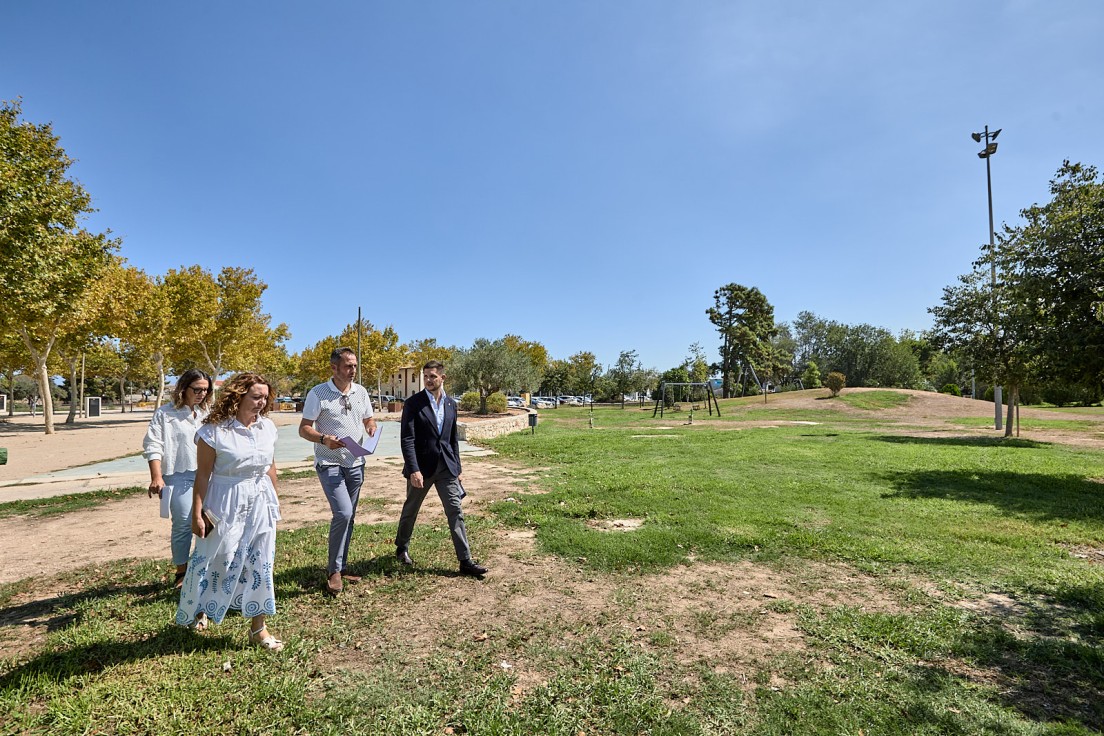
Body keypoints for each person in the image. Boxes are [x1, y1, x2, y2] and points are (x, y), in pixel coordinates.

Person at [175, 372, 284, 651]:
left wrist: (275, 500)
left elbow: (270, 466)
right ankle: (199, 609)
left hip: (261, 501)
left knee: (261, 563)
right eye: (255, 397)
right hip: (225, 500)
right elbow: (202, 476)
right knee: (217, 558)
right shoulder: (213, 431)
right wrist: (197, 514)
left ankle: (258, 628)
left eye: (265, 397)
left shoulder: (268, 428)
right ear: (237, 397)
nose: (261, 403)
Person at [396, 360, 487, 577]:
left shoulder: (451, 404)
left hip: (447, 467)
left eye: (433, 376)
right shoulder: (413, 403)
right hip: (422, 468)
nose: (428, 380)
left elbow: (452, 439)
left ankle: (465, 561)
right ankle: (401, 548)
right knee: (411, 509)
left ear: (442, 378)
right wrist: (413, 470)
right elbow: (407, 439)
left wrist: (458, 468)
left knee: (455, 510)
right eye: (425, 376)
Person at [298, 347, 377, 595]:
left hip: (356, 463)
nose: (353, 370)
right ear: (334, 368)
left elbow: (368, 419)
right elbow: (304, 428)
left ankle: (341, 567)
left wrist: (371, 427)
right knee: (342, 513)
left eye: (354, 365)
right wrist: (323, 439)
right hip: (329, 463)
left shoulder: (361, 392)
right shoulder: (318, 393)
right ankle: (333, 571)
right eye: (348, 366)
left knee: (350, 515)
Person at [143, 369, 212, 589]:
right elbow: (153, 444)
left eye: (206, 390)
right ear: (184, 388)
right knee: (183, 523)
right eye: (197, 389)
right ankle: (181, 572)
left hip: (208, 475)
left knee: (210, 521)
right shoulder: (165, 414)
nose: (202, 394)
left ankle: (204, 568)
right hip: (178, 477)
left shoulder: (207, 414)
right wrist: (156, 477)